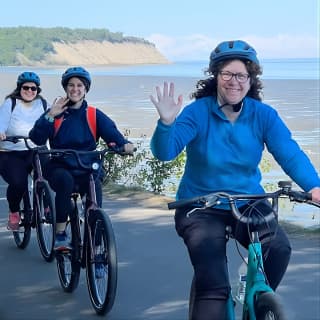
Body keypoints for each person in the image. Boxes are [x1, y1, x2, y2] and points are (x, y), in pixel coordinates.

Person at [149, 40, 320, 319]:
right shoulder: (197, 112)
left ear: (251, 79)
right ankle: (216, 294)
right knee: (213, 288)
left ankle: (257, 298)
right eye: (227, 74)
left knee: (278, 248)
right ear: (215, 76)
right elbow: (165, 152)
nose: (234, 81)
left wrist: (314, 186)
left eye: (241, 75)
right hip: (200, 207)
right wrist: (166, 124)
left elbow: (290, 154)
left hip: (248, 202)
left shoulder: (263, 115)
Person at [29, 66, 135, 251]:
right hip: (60, 166)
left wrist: (124, 145)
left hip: (88, 166)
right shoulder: (56, 112)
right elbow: (36, 138)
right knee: (65, 181)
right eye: (71, 85)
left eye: (80, 85)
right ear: (66, 88)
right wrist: (50, 116)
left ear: (85, 89)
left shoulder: (94, 114)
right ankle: (61, 235)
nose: (75, 89)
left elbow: (113, 135)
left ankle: (96, 249)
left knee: (95, 204)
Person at [0, 72, 48, 231]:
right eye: (25, 87)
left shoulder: (42, 104)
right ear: (19, 88)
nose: (29, 91)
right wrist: (1, 132)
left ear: (37, 90)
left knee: (50, 174)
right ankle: (14, 212)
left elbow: (50, 122)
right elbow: (2, 121)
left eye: (33, 88)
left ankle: (48, 207)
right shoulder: (11, 102)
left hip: (36, 148)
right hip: (12, 151)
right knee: (18, 183)